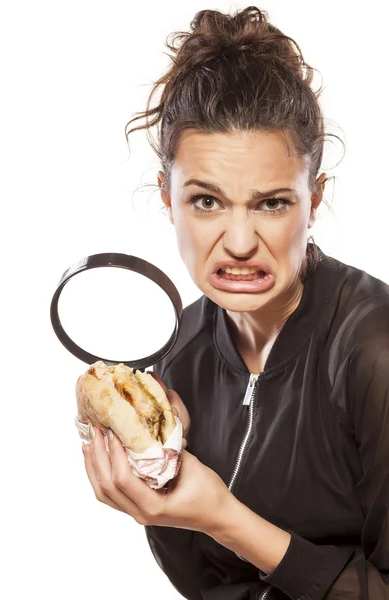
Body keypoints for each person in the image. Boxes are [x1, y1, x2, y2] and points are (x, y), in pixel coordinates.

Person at [81, 6, 389, 599]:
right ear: (167, 196)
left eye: (272, 203)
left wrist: (224, 517)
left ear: (314, 198)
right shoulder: (178, 362)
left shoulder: (374, 351)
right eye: (206, 201)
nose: (241, 242)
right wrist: (162, 492)